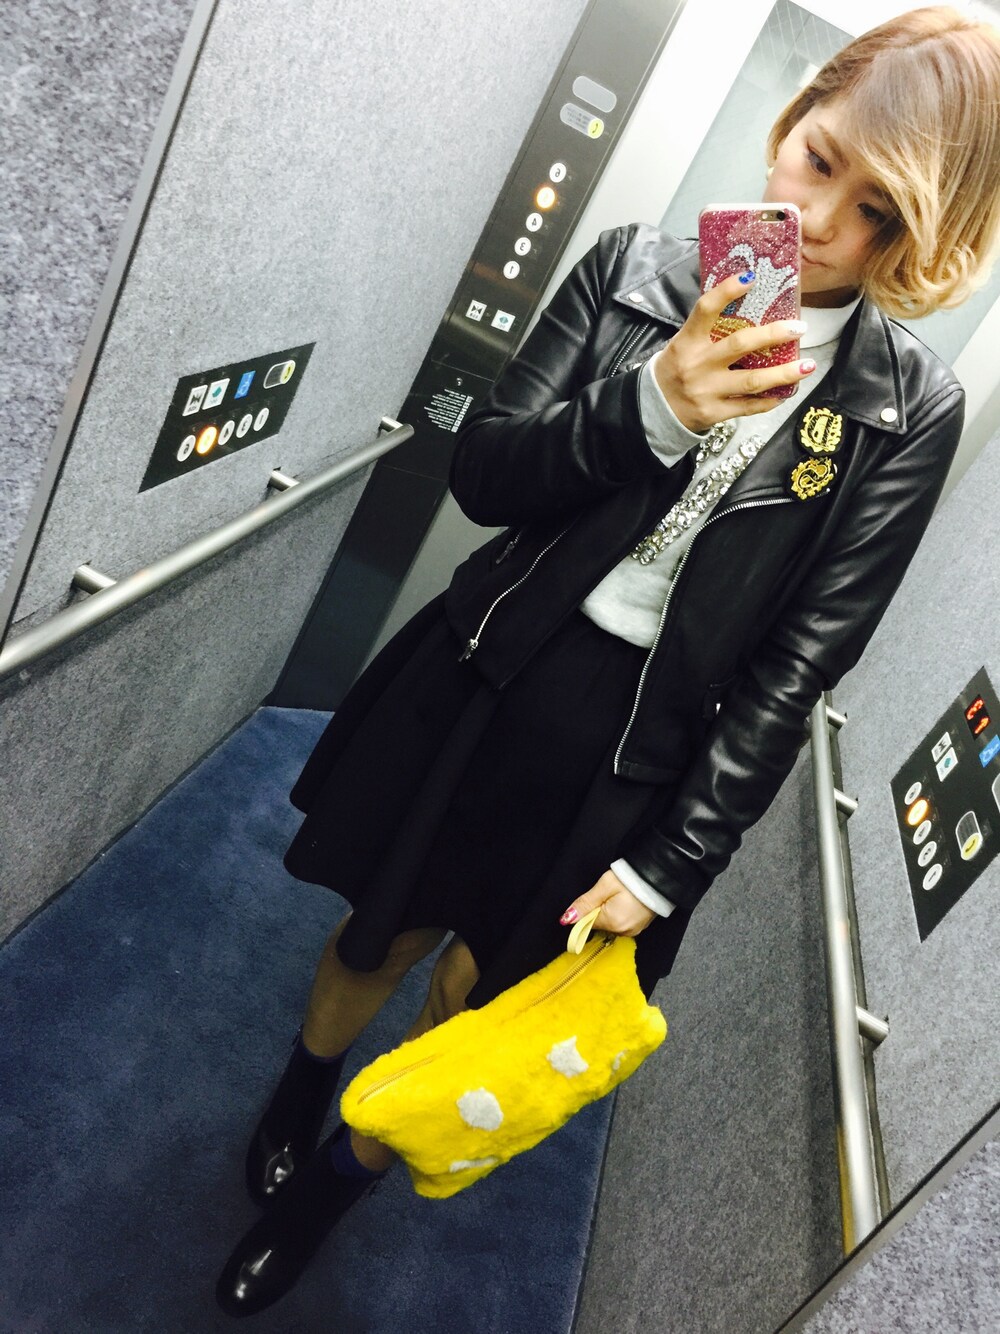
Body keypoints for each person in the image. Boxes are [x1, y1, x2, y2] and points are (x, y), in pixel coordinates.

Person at [215, 6, 1000, 1317]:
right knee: (379, 924)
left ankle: (327, 1191)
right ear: (795, 117)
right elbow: (483, 473)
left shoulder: (907, 408)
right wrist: (656, 406)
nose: (817, 221)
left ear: (910, 239)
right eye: (819, 160)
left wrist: (672, 859)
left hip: (638, 757)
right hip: (487, 664)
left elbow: (800, 661)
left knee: (481, 996)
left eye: (874, 212)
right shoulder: (635, 269)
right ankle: (300, 1093)